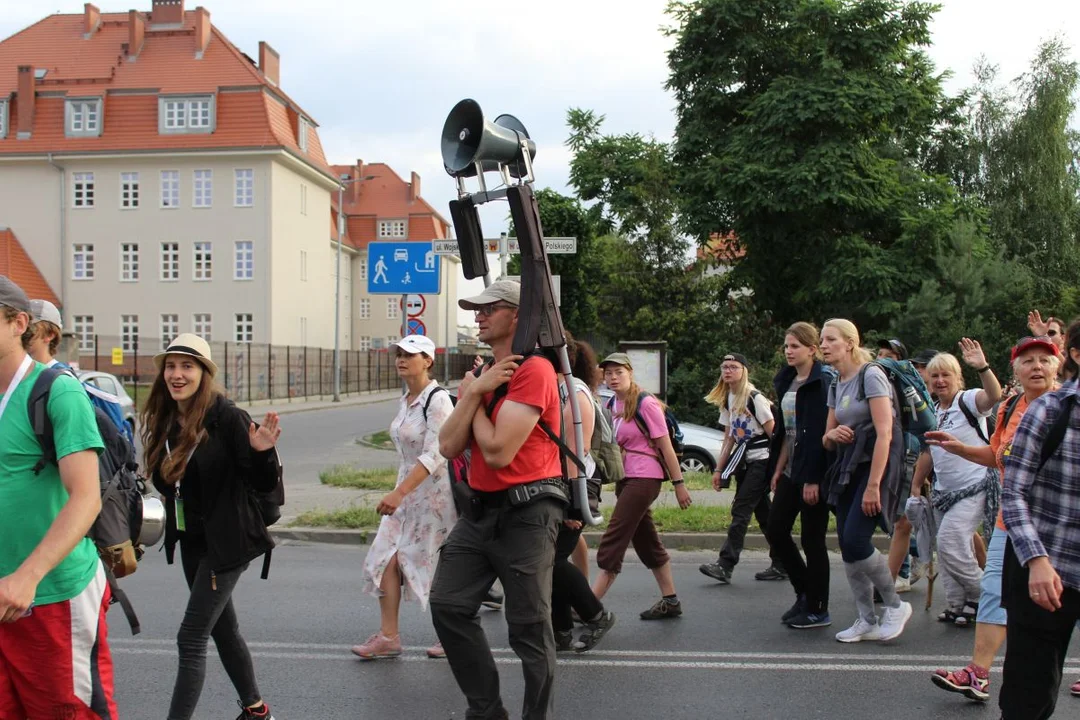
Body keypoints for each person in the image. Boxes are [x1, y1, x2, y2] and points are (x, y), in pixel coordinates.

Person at [431, 279, 566, 720]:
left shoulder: (534, 370)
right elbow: (449, 446)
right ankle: (487, 712)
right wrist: (473, 390)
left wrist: (476, 397)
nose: (479, 315)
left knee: (528, 627)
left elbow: (497, 450)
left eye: (489, 308)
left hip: (528, 512)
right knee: (449, 604)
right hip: (480, 510)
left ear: (518, 314)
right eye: (476, 309)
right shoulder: (485, 375)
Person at [143, 333, 282, 720]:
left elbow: (260, 482)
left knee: (190, 638)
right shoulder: (167, 421)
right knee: (223, 629)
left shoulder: (227, 418)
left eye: (187, 366)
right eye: (171, 366)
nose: (177, 374)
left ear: (204, 374)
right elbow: (167, 485)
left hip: (227, 542)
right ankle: (257, 711)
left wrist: (262, 453)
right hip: (192, 541)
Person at [0, 276, 116, 719]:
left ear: (18, 323)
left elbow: (86, 497)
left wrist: (27, 577)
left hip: (49, 597)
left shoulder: (55, 391)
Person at [926, 335, 1059, 701]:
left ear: (1057, 366)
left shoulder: (1068, 407)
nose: (1036, 366)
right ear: (1016, 369)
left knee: (1070, 596)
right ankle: (978, 673)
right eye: (1027, 360)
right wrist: (960, 448)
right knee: (994, 589)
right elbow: (997, 454)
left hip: (1061, 522)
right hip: (1012, 519)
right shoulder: (1012, 405)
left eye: (1044, 360)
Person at [352, 335, 456, 661]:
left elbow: (437, 453)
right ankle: (389, 637)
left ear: (428, 360)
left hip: (434, 497)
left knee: (432, 563)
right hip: (407, 495)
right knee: (384, 557)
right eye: (399, 353)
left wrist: (400, 492)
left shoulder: (437, 400)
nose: (401, 359)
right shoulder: (407, 399)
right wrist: (399, 491)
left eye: (410, 354)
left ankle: (453, 635)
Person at [999, 319, 1080, 719]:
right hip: (1046, 572)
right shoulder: (1050, 411)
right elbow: (1012, 492)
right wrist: (1036, 559)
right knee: (1028, 700)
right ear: (1076, 356)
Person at [821, 318, 912, 643]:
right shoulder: (836, 382)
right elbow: (827, 440)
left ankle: (895, 605)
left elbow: (886, 433)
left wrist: (874, 485)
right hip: (848, 468)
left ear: (849, 342)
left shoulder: (871, 375)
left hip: (878, 468)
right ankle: (866, 619)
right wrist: (832, 434)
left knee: (857, 540)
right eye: (822, 340)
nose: (824, 345)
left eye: (830, 339)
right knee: (847, 546)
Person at [592, 352, 692, 619]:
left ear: (630, 373)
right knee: (646, 540)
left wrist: (679, 484)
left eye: (618, 373)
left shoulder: (645, 404)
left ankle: (587, 607)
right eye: (608, 373)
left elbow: (665, 446)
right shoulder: (613, 404)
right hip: (626, 478)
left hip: (646, 478)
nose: (613, 378)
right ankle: (671, 601)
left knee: (614, 538)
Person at [919, 345, 1002, 627]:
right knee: (946, 550)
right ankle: (958, 604)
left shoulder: (968, 401)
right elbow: (928, 452)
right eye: (934, 376)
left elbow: (994, 395)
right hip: (944, 492)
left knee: (950, 543)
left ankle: (984, 597)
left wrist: (982, 366)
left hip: (974, 485)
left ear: (958, 378)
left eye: (946, 375)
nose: (940, 381)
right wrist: (917, 486)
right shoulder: (932, 410)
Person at [764, 322, 834, 629]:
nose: (788, 351)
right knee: (776, 529)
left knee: (812, 539)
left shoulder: (824, 381)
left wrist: (813, 478)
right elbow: (787, 432)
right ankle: (804, 591)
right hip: (792, 468)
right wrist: (778, 468)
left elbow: (820, 433)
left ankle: (818, 607)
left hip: (814, 471)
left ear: (812, 349)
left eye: (794, 346)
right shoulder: (788, 380)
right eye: (786, 346)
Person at [551, 335, 615, 653]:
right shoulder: (561, 388)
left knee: (550, 560)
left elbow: (577, 452)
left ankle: (596, 616)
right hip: (562, 485)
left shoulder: (574, 393)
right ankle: (560, 631)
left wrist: (571, 507)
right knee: (551, 560)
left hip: (574, 486)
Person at [699, 352, 782, 584]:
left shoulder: (754, 398)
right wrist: (718, 470)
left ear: (743, 370)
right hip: (744, 462)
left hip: (761, 460)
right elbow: (729, 438)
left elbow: (774, 434)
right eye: (724, 367)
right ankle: (783, 562)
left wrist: (776, 469)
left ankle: (725, 564)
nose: (728, 371)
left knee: (741, 510)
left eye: (733, 367)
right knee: (765, 516)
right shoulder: (728, 399)